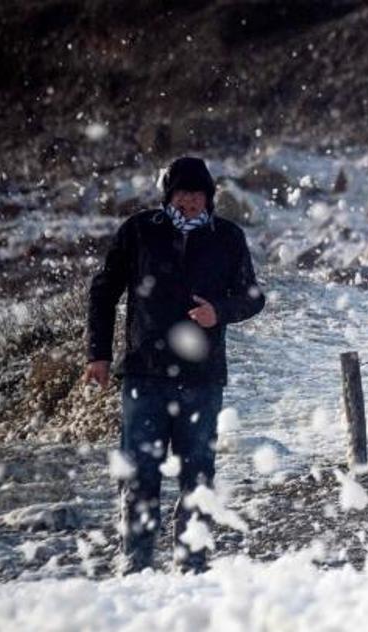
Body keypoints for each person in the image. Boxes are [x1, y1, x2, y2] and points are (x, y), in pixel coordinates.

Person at [84, 156, 266, 574]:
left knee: (197, 475)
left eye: (197, 194)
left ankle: (193, 564)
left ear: (209, 198)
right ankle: (136, 566)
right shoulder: (140, 232)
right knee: (139, 473)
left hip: (202, 380)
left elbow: (253, 298)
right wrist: (98, 354)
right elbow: (104, 290)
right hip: (144, 374)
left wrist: (218, 311)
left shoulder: (227, 237)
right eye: (182, 194)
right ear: (169, 195)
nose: (189, 202)